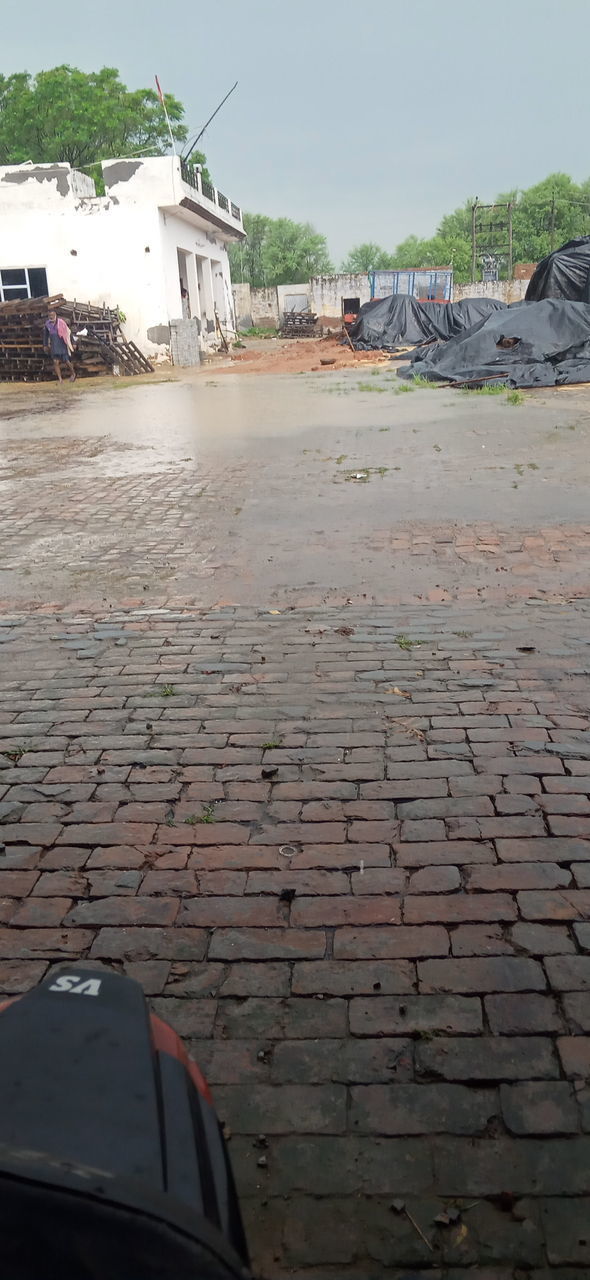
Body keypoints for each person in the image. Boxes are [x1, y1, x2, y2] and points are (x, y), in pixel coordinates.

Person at [43, 309, 76, 383]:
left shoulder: (61, 322)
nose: (51, 317)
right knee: (55, 362)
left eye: (52, 315)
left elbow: (68, 333)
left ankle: (73, 373)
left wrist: (73, 343)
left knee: (67, 361)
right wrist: (45, 345)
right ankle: (60, 379)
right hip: (54, 345)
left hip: (62, 343)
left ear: (55, 315)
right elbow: (45, 335)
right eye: (50, 315)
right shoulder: (47, 324)